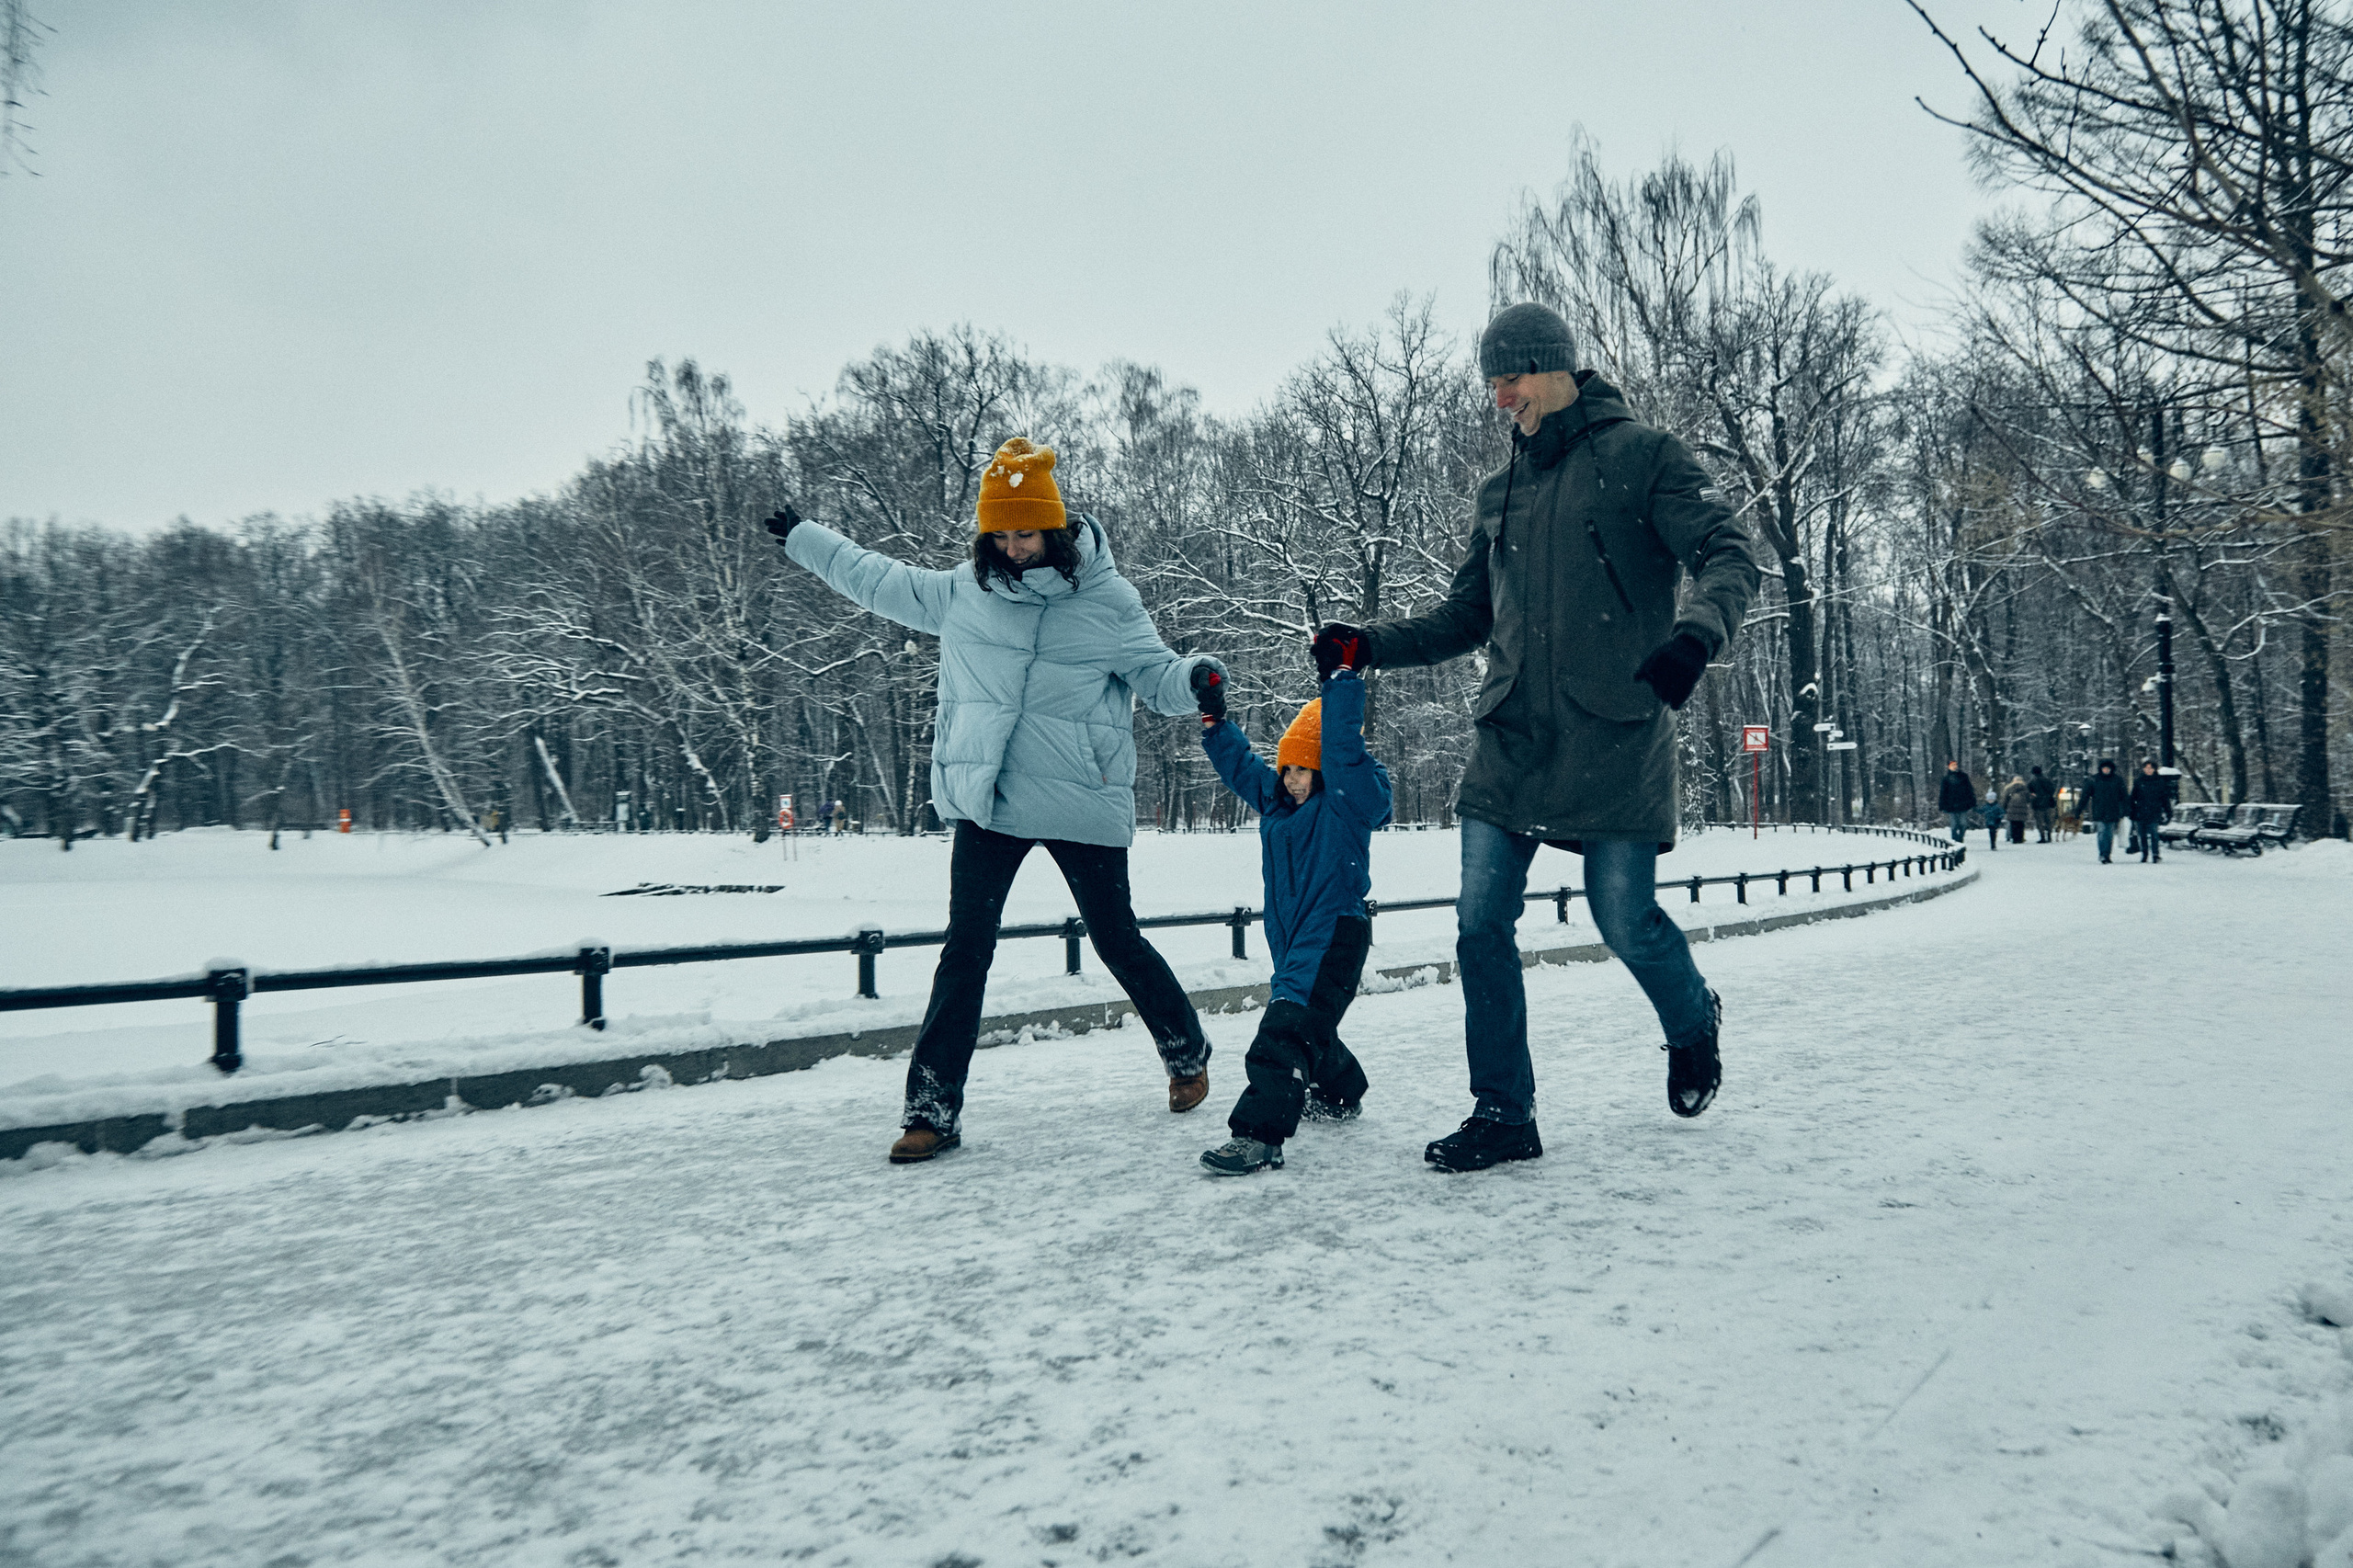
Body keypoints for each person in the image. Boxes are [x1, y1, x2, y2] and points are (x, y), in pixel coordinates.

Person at [1312, 302, 1759, 1172]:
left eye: (1510, 377)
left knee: (1623, 918)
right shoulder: (1501, 491)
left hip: (1616, 730)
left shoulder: (1646, 457)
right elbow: (1465, 618)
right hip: (1512, 736)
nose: (1499, 397)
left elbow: (1728, 552)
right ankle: (1503, 1112)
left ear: (1556, 368)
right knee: (1479, 923)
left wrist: (1695, 636)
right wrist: (1370, 645)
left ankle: (1691, 1019)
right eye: (1491, 382)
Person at [764, 437, 1225, 1163]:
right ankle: (931, 1110)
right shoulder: (964, 593)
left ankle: (1185, 1048)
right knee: (965, 951)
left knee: (1116, 939)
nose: (1012, 549)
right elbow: (875, 578)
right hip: (992, 798)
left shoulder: (1108, 601)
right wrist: (806, 537)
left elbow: (1156, 674)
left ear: (1056, 530)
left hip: (1081, 797)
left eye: (1026, 534)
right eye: (1000, 536)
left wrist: (1195, 679)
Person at [1194, 649, 1392, 1176]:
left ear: (1325, 770)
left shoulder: (1345, 805)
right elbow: (1241, 767)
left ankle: (1258, 1135)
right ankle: (1342, 1091)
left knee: (1285, 1031)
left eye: (1306, 769)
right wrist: (1215, 720)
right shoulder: (1278, 804)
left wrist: (1341, 682)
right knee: (1308, 1022)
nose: (1294, 779)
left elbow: (1346, 754)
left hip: (1335, 933)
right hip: (1296, 938)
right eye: (1288, 768)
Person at [2080, 759, 2129, 863]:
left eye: (2108, 768)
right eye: (2104, 768)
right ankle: (2103, 854)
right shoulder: (2094, 780)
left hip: (2113, 811)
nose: (2106, 770)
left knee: (2109, 834)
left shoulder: (2117, 780)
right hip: (2099, 811)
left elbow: (2124, 796)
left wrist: (2126, 809)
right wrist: (2079, 809)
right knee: (2102, 832)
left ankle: (2107, 854)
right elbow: (2085, 796)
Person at [2128, 759, 2171, 864]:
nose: (2148, 770)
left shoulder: (2159, 782)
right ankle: (2144, 853)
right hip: (2140, 812)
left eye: (2151, 768)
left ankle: (2155, 854)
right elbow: (2133, 797)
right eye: (2146, 768)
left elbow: (2165, 798)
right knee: (2142, 835)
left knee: (2154, 834)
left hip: (2154, 812)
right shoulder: (2139, 781)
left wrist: (2168, 811)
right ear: (2143, 769)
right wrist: (2131, 810)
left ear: (2154, 769)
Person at [1938, 760, 1978, 841]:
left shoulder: (1963, 777)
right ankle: (1955, 839)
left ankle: (1960, 837)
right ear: (1949, 767)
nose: (1954, 766)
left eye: (1955, 765)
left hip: (1963, 804)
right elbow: (1943, 792)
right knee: (1954, 825)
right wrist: (1942, 804)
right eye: (1952, 765)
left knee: (1963, 824)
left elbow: (1969, 790)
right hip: (1951, 805)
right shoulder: (1946, 779)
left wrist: (1972, 801)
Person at [2027, 767, 2058, 842]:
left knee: (2039, 821)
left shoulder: (2032, 782)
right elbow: (2052, 789)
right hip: (2048, 803)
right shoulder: (2047, 780)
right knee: (2048, 820)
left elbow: (2030, 792)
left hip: (2037, 803)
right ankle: (2049, 836)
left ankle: (2042, 836)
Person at [2001, 775, 2033, 845]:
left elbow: (2005, 799)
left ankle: (2014, 838)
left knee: (2013, 824)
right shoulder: (2025, 789)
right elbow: (2028, 799)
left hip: (2012, 808)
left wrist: (2004, 807)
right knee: (2021, 824)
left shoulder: (2009, 788)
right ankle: (2020, 838)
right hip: (2022, 808)